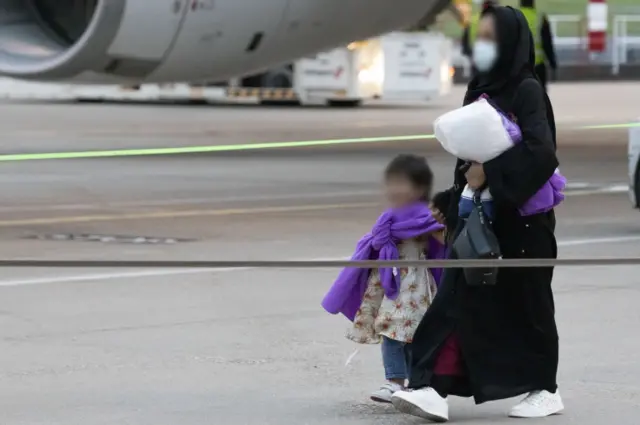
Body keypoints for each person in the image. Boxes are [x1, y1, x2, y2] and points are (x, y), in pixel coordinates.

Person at [390, 6, 563, 422]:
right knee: (455, 300)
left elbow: (542, 153)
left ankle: (546, 388)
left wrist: (493, 175)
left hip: (521, 223)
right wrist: (454, 196)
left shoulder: (527, 90)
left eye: (489, 37)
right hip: (478, 219)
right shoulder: (479, 89)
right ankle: (431, 386)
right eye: (479, 36)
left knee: (529, 306)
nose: (481, 46)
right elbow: (468, 158)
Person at [321, 154, 446, 403]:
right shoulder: (389, 216)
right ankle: (394, 382)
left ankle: (415, 382)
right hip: (388, 283)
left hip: (415, 285)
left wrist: (443, 225)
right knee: (389, 329)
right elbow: (377, 243)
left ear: (420, 188)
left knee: (411, 332)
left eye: (401, 183)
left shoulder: (426, 216)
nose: (394, 189)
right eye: (391, 183)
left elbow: (443, 245)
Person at [520, 0, 557, 91]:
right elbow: (547, 43)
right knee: (540, 97)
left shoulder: (514, 17)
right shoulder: (540, 18)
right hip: (538, 66)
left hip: (520, 67)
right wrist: (553, 63)